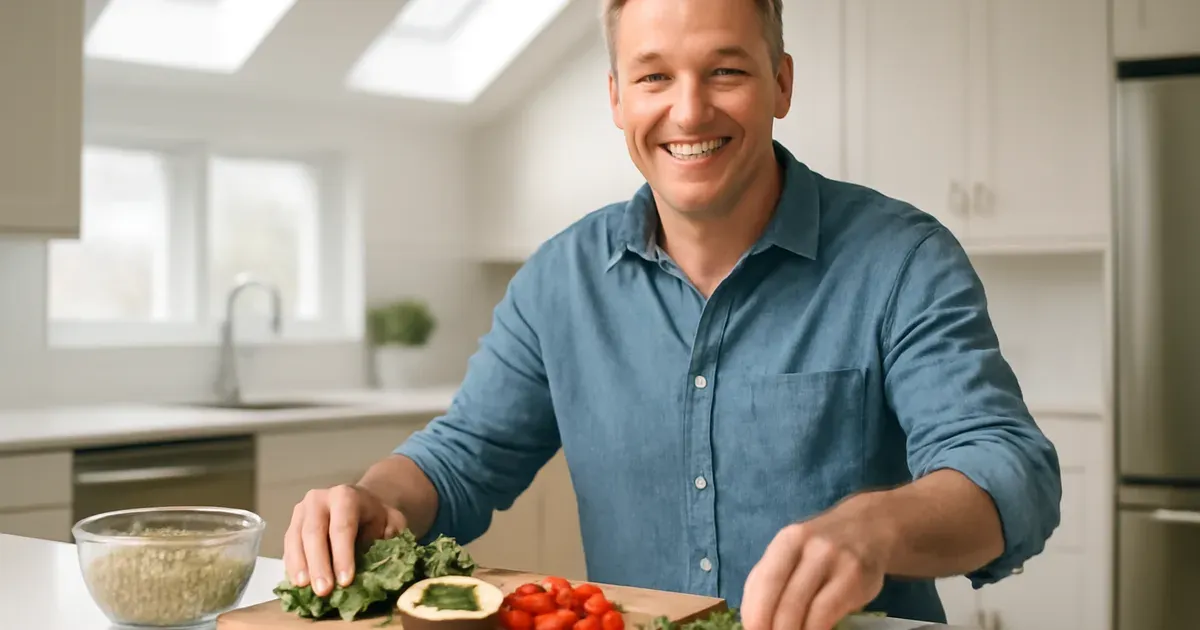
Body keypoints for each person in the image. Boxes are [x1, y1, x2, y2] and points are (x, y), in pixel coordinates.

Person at [282, 1, 1063, 629]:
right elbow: (461, 455)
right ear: (617, 97)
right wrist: (378, 498)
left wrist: (872, 527)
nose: (689, 113)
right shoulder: (560, 279)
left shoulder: (901, 259)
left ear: (781, 83)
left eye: (725, 70)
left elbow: (1009, 470)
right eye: (654, 78)